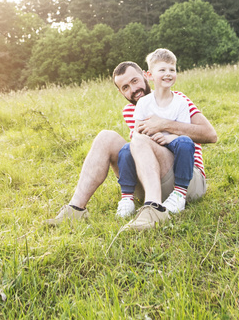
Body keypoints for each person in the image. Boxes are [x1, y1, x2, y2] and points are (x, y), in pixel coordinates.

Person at [47, 60, 217, 231]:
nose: (133, 90)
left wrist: (164, 124)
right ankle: (75, 209)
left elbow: (210, 135)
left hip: (186, 181)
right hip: (151, 182)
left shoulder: (176, 99)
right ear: (120, 92)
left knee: (140, 139)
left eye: (135, 81)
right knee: (106, 137)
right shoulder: (130, 110)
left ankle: (154, 209)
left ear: (146, 75)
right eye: (125, 87)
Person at [119, 48, 197, 220]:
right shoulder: (144, 103)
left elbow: (184, 132)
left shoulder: (181, 102)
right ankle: (127, 198)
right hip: (150, 143)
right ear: (150, 75)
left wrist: (168, 137)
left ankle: (180, 193)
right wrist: (153, 137)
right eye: (162, 70)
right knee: (125, 149)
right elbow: (138, 132)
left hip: (173, 145)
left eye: (172, 70)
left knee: (185, 142)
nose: (168, 74)